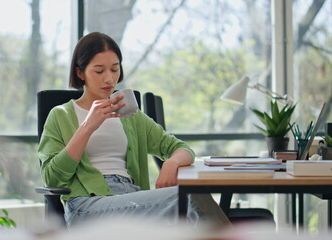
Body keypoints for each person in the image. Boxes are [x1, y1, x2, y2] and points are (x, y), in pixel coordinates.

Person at [37, 32, 230, 227]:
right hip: (87, 206)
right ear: (80, 73)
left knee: (191, 206)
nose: (109, 79)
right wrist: (87, 127)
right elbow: (52, 179)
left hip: (133, 197)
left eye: (114, 69)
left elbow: (182, 149)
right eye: (99, 71)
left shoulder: (130, 115)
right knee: (189, 199)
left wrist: (170, 163)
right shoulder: (60, 115)